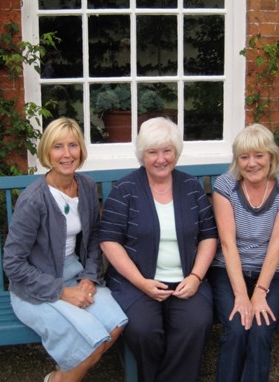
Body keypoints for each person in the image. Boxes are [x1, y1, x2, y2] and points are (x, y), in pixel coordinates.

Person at [3, 117, 128, 382]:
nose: (67, 154)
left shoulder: (85, 186)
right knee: (89, 347)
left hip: (76, 274)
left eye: (73, 146)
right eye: (58, 147)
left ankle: (57, 379)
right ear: (47, 152)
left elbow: (94, 236)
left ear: (81, 150)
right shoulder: (34, 200)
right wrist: (61, 292)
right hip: (35, 287)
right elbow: (13, 263)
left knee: (116, 324)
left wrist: (89, 277)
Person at [99, 117, 218, 382]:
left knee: (196, 323)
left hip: (186, 280)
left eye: (167, 151)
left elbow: (210, 236)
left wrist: (196, 277)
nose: (161, 159)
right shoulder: (125, 190)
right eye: (153, 152)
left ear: (176, 152)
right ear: (142, 155)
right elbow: (109, 240)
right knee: (143, 329)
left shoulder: (191, 188)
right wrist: (141, 282)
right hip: (136, 282)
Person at [209, 123, 279, 382]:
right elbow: (226, 244)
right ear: (237, 160)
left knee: (261, 329)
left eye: (259, 155)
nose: (252, 163)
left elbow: (277, 243)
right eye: (244, 157)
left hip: (273, 273)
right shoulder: (225, 185)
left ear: (271, 157)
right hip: (229, 270)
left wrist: (259, 293)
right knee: (237, 327)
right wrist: (241, 295)